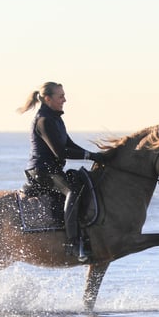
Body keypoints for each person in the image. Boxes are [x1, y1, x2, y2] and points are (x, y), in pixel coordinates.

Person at [17, 82, 105, 262]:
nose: (65, 99)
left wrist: (96, 156)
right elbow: (60, 152)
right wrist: (90, 156)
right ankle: (73, 243)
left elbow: (70, 145)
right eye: (61, 96)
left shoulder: (56, 118)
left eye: (64, 95)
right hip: (41, 171)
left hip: (52, 169)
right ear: (47, 99)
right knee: (72, 191)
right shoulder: (44, 120)